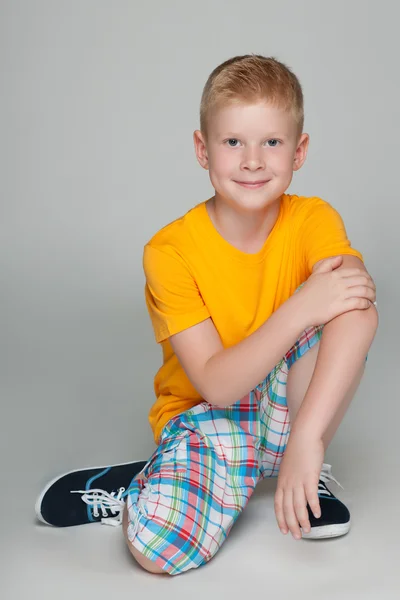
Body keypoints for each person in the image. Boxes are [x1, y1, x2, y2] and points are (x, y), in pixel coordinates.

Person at [35, 54, 378, 576]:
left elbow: (357, 308)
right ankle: (148, 483)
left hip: (288, 408)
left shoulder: (312, 219)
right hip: (210, 416)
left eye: (272, 142)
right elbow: (219, 386)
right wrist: (305, 303)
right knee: (157, 553)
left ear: (299, 151)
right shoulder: (169, 251)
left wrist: (309, 439)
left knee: (347, 311)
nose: (253, 161)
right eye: (233, 141)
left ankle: (300, 463)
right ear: (203, 149)